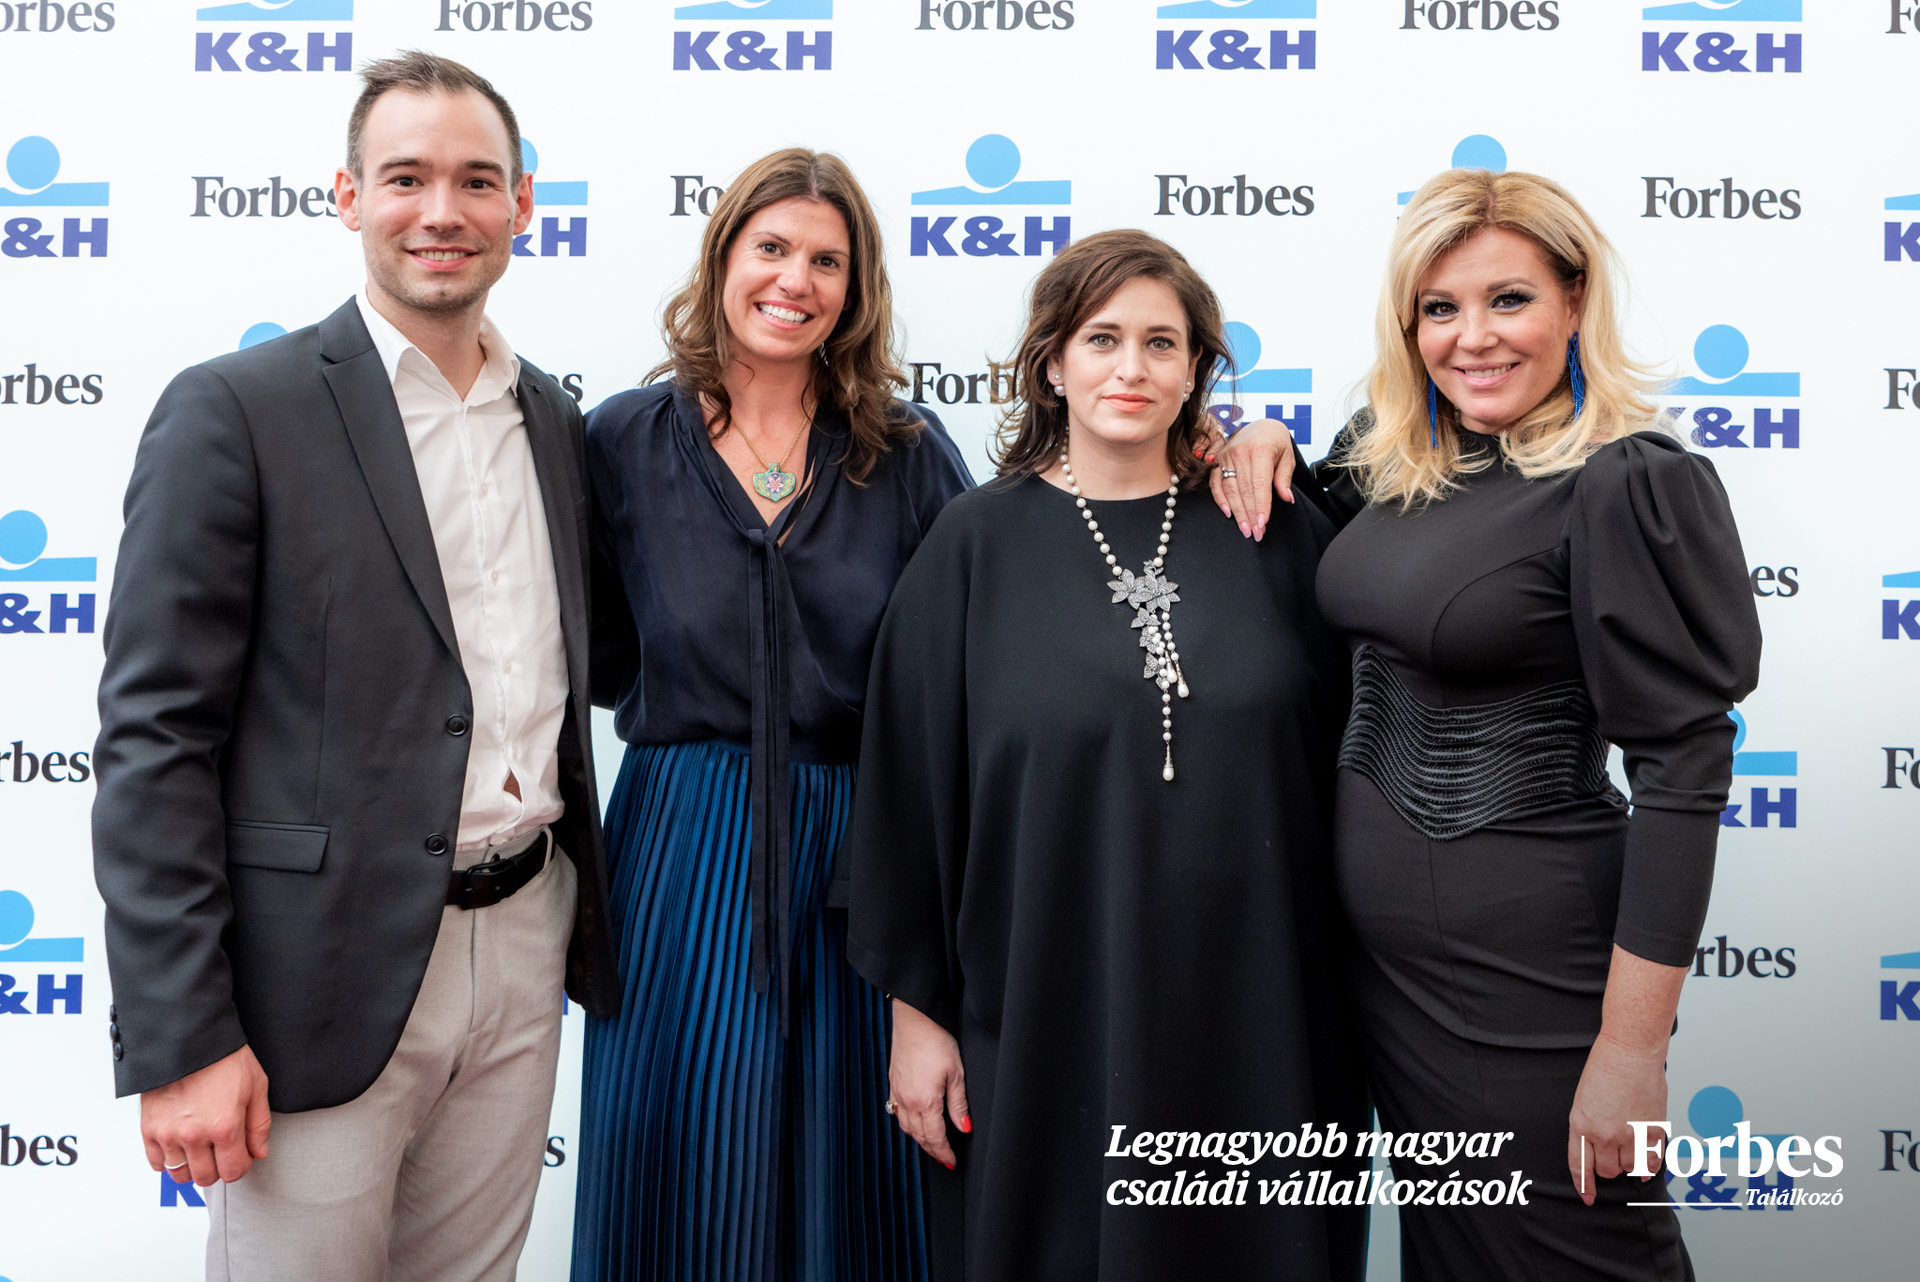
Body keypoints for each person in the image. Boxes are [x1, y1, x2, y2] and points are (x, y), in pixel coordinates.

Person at [91, 52, 619, 1282]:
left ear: (521, 205)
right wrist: (182, 1034)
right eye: (406, 178)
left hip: (525, 941)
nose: (443, 211)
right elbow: (156, 735)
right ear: (347, 197)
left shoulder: (552, 418)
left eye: (477, 181)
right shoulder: (237, 410)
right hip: (315, 975)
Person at [1216, 169, 1764, 1279]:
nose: (1473, 338)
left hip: (1530, 975)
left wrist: (1632, 1051)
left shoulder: (1625, 481)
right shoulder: (1399, 452)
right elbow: (1319, 533)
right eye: (1440, 308)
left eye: (1509, 299)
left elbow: (1684, 768)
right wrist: (1265, 434)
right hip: (1385, 977)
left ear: (1575, 300)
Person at [847, 229, 1369, 1281]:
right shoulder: (972, 547)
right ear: (1052, 363)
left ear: (1197, 369)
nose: (1132, 367)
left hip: (1264, 1005)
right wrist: (917, 1017)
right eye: (1102, 339)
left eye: (1161, 343)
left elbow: (1359, 753)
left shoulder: (1276, 530)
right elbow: (908, 796)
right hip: (1044, 1006)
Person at [574, 148, 971, 1282]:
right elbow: (591, 646)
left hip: (862, 845)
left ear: (857, 288)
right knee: (678, 1161)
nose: (796, 280)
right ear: (724, 258)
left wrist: (1226, 440)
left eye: (827, 262)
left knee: (855, 1172)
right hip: (679, 848)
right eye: (773, 248)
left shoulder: (906, 453)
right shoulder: (621, 440)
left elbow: (964, 663)